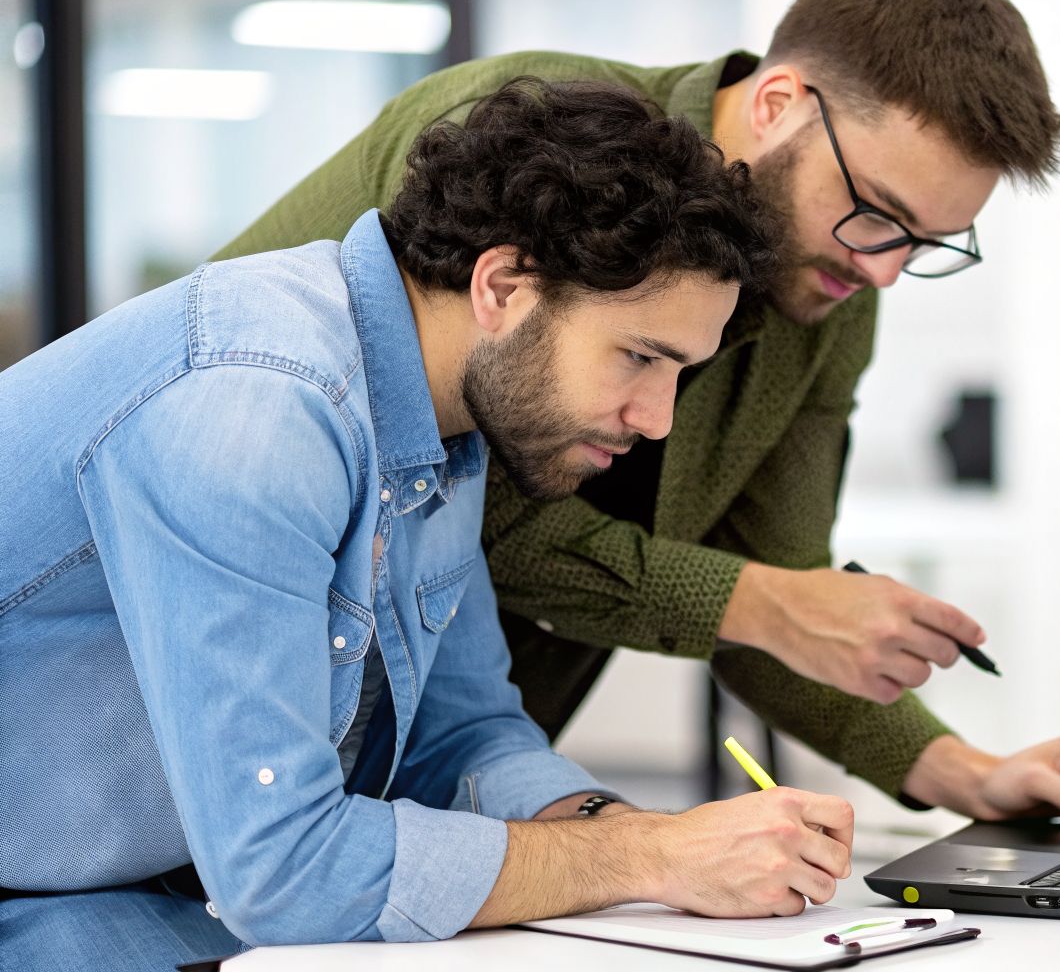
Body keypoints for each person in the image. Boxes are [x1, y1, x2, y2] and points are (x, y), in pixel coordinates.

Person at [217, 0, 1060, 823]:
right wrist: (760, 603)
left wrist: (960, 769)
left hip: (442, 763)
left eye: (925, 244)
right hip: (215, 706)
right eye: (879, 215)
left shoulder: (831, 286)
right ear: (779, 101)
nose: (885, 273)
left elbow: (778, 584)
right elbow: (439, 506)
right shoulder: (520, 136)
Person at [0, 78, 858, 971]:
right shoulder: (258, 408)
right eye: (640, 356)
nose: (658, 419)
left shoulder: (448, 420)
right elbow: (285, 871)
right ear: (504, 284)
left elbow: (464, 736)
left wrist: (643, 836)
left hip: (139, 895)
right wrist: (643, 858)